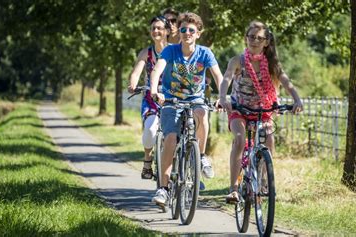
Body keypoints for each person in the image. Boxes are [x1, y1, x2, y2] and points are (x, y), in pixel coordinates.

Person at [218, 21, 304, 202]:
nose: (254, 41)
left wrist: (297, 100)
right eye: (251, 37)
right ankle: (233, 188)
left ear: (266, 42)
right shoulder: (237, 61)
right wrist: (223, 97)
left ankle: (264, 180)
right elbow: (226, 79)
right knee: (240, 139)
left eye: (259, 38)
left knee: (269, 139)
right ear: (246, 39)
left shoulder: (272, 64)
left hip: (263, 110)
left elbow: (287, 83)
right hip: (239, 109)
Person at [149, 12, 224, 205]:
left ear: (198, 33)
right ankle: (163, 189)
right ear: (179, 32)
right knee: (171, 139)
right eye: (183, 29)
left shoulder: (205, 53)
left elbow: (218, 76)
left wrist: (223, 97)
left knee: (202, 113)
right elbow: (157, 69)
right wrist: (154, 91)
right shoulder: (170, 51)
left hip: (195, 100)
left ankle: (201, 156)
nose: (187, 33)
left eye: (191, 30)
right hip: (171, 101)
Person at [127, 16, 170, 179]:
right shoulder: (147, 52)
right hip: (151, 99)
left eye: (159, 28)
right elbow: (137, 71)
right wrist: (133, 84)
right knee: (151, 131)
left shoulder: (174, 50)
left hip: (172, 98)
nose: (156, 31)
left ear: (166, 31)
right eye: (153, 28)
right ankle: (147, 161)